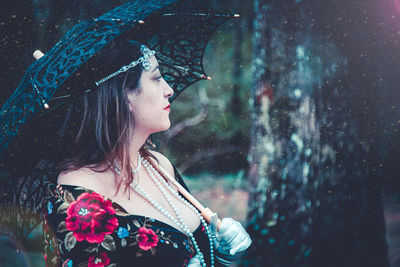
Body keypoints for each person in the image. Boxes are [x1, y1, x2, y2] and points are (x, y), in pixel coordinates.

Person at [42, 39, 251, 267]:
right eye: (157, 78)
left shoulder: (158, 165)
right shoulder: (74, 199)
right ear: (123, 94)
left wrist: (220, 255)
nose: (169, 90)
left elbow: (192, 247)